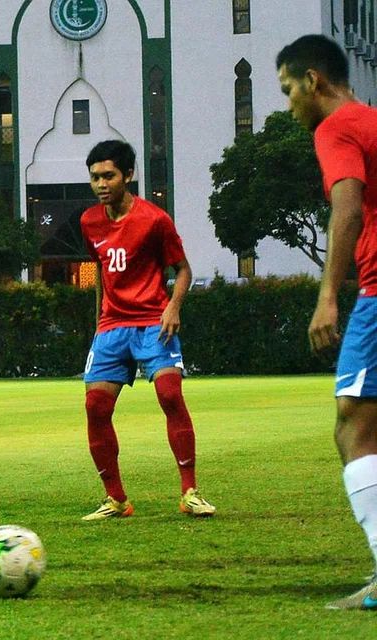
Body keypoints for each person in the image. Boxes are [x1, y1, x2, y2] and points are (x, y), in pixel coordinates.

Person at [277, 34, 377, 610]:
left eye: (289, 90)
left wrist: (328, 297)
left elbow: (348, 203)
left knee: (354, 426)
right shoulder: (372, 121)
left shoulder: (335, 128)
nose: (289, 103)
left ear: (314, 81)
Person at [78, 139, 215, 521]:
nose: (101, 184)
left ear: (128, 176)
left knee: (170, 395)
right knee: (95, 408)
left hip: (154, 322)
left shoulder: (155, 220)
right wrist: (99, 325)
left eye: (108, 175)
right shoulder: (89, 221)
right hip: (112, 328)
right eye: (94, 177)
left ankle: (190, 492)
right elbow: (103, 272)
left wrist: (173, 307)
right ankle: (116, 499)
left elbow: (183, 269)